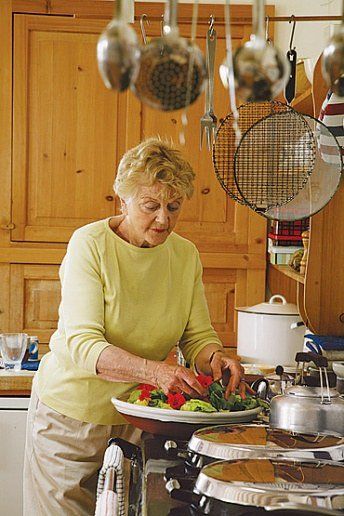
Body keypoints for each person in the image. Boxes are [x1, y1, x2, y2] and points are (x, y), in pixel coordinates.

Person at [23, 137, 245, 515]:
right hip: (71, 421)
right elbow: (81, 343)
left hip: (140, 421)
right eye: (150, 205)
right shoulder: (89, 245)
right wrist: (156, 372)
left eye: (174, 207)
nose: (164, 219)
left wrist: (215, 358)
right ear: (122, 200)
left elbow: (198, 337)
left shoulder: (185, 254)